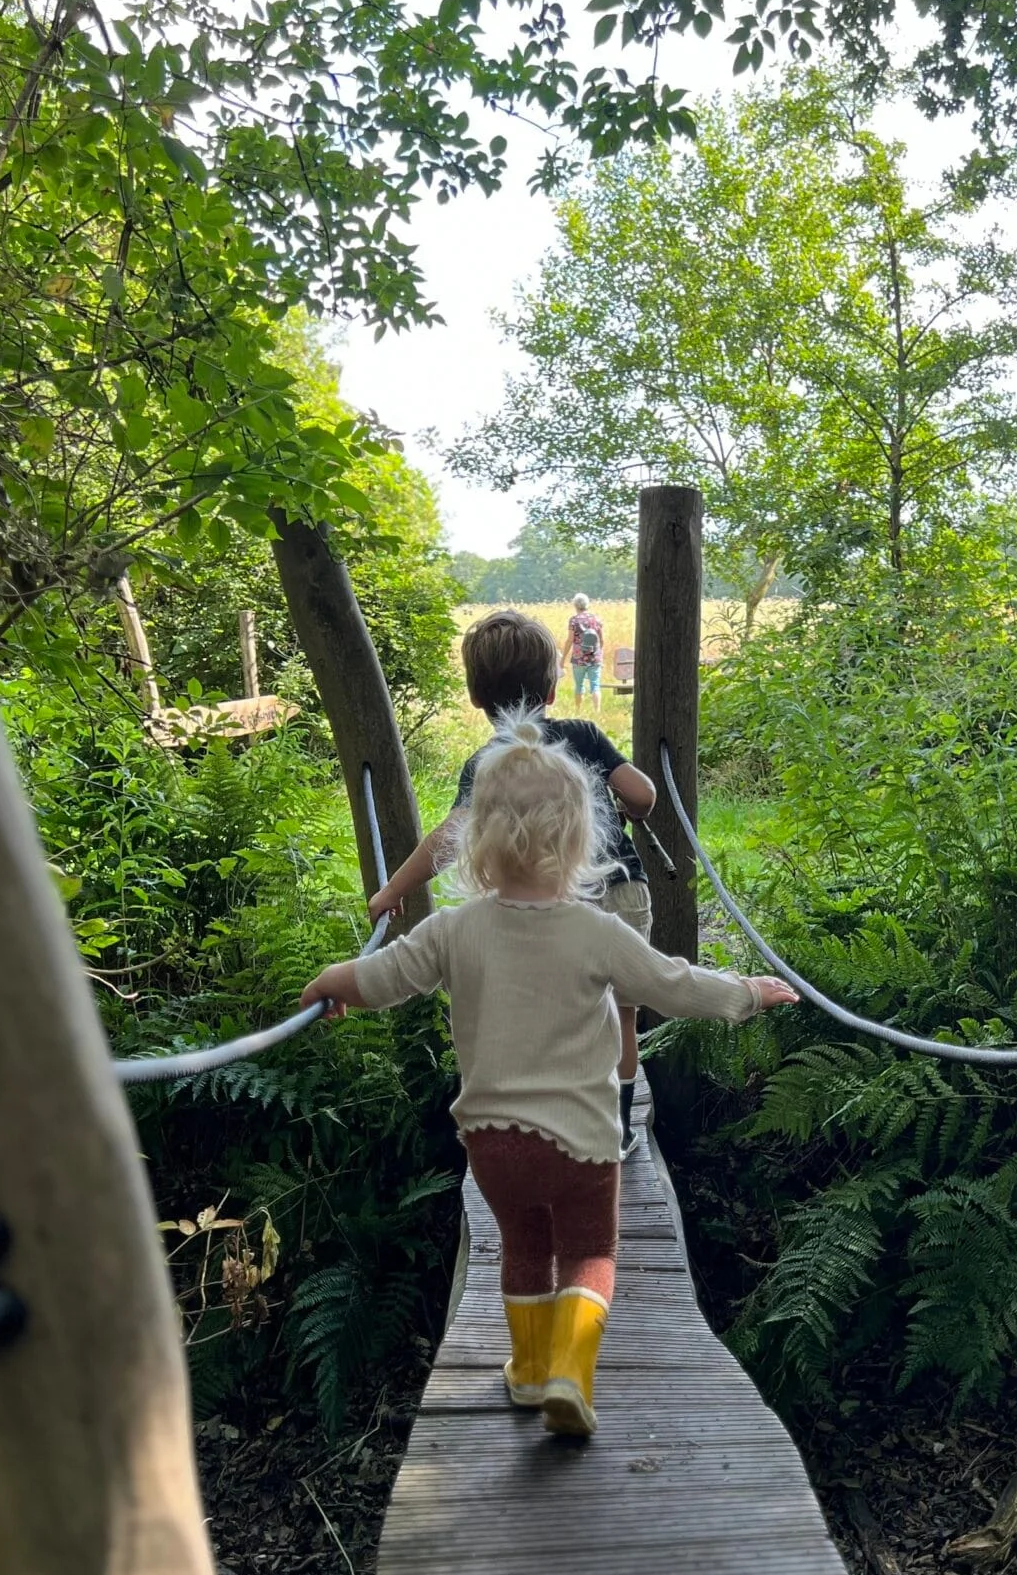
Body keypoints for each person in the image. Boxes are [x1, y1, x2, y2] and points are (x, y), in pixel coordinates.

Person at [300, 717, 797, 1439]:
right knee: (591, 1254)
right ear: (580, 841)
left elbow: (383, 977)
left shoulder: (454, 929)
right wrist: (747, 992)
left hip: (494, 1146)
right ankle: (571, 1370)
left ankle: (528, 1373)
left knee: (524, 1250)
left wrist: (331, 981)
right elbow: (674, 986)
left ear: (477, 844)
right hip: (585, 1142)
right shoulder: (594, 930)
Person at [370, 609, 661, 1154]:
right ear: (552, 688)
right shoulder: (584, 735)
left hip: (548, 908)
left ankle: (552, 1118)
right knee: (622, 1015)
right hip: (622, 889)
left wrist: (393, 891)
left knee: (559, 1011)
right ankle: (616, 1131)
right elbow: (643, 797)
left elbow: (450, 836)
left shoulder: (488, 763)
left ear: (477, 697)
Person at [562, 594, 604, 712]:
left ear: (575, 605)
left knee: (579, 685)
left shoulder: (574, 620)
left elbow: (570, 640)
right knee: (595, 685)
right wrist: (600, 654)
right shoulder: (596, 619)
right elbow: (601, 639)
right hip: (594, 657)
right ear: (587, 604)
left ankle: (578, 710)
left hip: (578, 657)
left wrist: (563, 658)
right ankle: (597, 710)